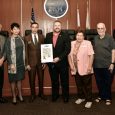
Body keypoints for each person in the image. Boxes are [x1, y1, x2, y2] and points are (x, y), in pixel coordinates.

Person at [45, 20, 71, 103]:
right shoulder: (48, 35)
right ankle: (55, 95)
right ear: (53, 26)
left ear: (61, 26)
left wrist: (59, 58)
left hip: (62, 62)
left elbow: (67, 49)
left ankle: (65, 96)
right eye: (55, 25)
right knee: (54, 81)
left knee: (64, 81)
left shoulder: (65, 35)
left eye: (58, 25)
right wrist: (47, 59)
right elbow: (45, 48)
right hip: (51, 63)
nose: (57, 26)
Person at [68, 30, 94, 108]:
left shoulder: (87, 43)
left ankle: (89, 100)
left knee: (87, 86)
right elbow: (69, 55)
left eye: (81, 35)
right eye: (77, 35)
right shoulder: (72, 43)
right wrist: (71, 65)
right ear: (75, 36)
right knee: (79, 85)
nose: (79, 37)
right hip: (76, 68)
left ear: (84, 36)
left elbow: (91, 55)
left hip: (86, 68)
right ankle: (81, 97)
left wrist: (90, 66)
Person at [93, 22, 115, 105]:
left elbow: (113, 51)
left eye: (102, 28)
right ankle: (101, 96)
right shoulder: (95, 38)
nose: (100, 30)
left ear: (105, 29)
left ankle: (108, 97)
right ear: (97, 30)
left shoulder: (110, 38)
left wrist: (112, 63)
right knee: (99, 82)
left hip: (107, 65)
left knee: (107, 82)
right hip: (97, 65)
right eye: (98, 28)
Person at [24, 22, 46, 102]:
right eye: (33, 27)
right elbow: (25, 52)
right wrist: (27, 64)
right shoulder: (26, 38)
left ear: (38, 28)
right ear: (30, 27)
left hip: (40, 63)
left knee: (41, 79)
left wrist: (45, 62)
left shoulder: (42, 37)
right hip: (31, 63)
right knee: (32, 80)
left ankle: (41, 93)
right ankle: (32, 95)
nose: (34, 29)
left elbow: (45, 50)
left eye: (36, 27)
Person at [6, 23, 25, 104]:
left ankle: (20, 95)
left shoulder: (21, 38)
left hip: (21, 63)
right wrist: (11, 64)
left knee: (19, 80)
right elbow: (7, 53)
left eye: (17, 29)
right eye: (14, 29)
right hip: (13, 64)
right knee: (13, 81)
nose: (16, 30)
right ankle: (14, 96)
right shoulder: (9, 40)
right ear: (11, 30)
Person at [0, 24, 8, 103]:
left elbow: (6, 50)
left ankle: (0, 97)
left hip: (1, 63)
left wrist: (2, 59)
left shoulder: (3, 38)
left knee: (0, 81)